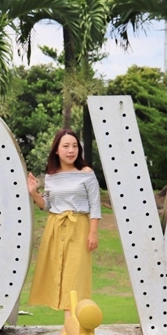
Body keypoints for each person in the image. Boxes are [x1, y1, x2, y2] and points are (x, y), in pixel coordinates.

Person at [27, 128, 101, 316]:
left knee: (74, 275)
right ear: (57, 151)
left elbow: (95, 205)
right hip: (56, 227)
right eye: (66, 146)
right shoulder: (51, 176)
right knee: (58, 272)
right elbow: (48, 205)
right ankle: (68, 323)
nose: (71, 150)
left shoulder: (86, 173)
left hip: (79, 226)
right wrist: (34, 193)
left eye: (75, 146)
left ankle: (70, 324)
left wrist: (93, 233)